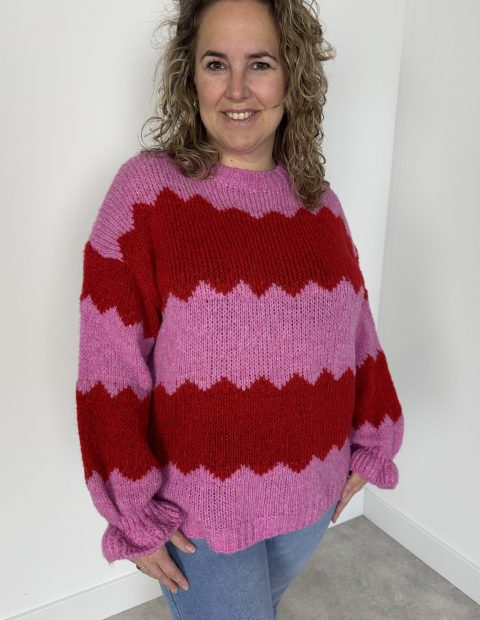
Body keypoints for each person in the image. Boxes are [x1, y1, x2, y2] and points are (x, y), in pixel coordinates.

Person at [74, 0, 404, 617]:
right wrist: (133, 512)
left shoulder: (320, 205)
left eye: (260, 64)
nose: (236, 90)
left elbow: (356, 331)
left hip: (313, 491)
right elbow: (109, 370)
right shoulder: (146, 195)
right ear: (189, 75)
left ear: (292, 76)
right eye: (215, 63)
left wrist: (375, 435)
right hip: (199, 511)